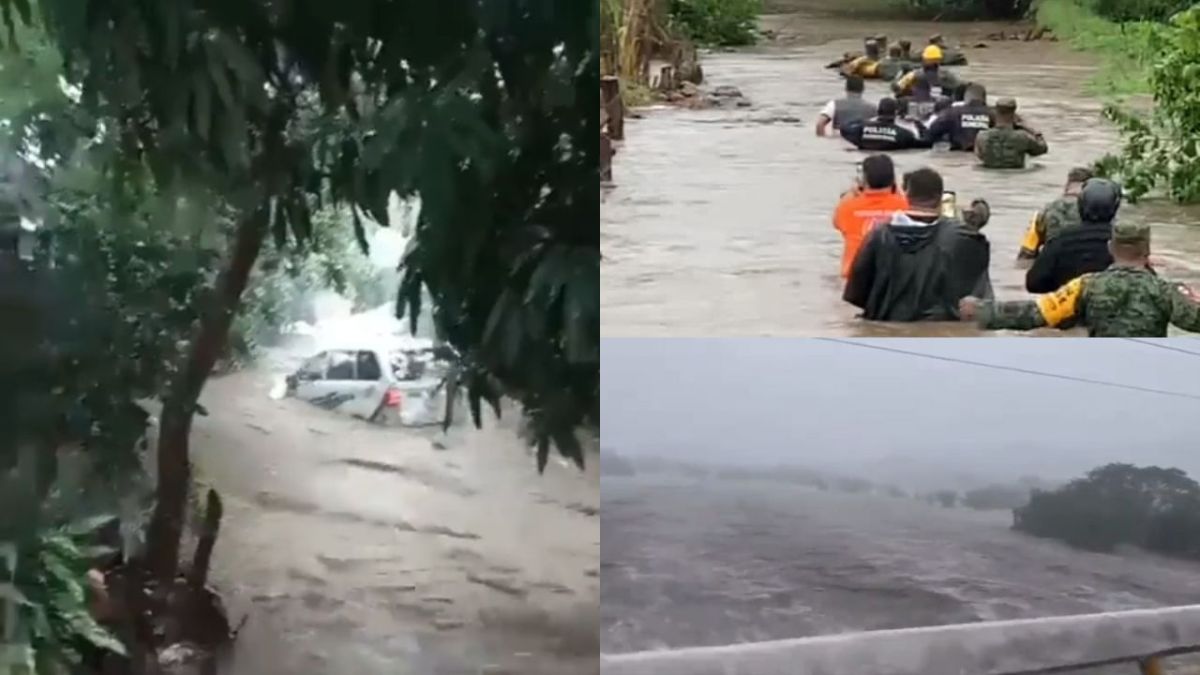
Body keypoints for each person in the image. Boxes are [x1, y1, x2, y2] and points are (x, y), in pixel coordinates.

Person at [960, 223, 1200, 337]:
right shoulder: (1166, 291)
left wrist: (983, 311)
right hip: (1150, 372)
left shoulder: (1085, 285)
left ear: (1110, 247)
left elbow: (1036, 314)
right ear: (1147, 250)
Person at [843, 167, 991, 321]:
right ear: (941, 198)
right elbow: (976, 297)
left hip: (888, 326)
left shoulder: (878, 236)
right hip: (939, 332)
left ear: (906, 195)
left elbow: (856, 295)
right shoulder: (965, 239)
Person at [1024, 178, 1121, 293]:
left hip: (1069, 306)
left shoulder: (1060, 241)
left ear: (1080, 205)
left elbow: (1033, 283)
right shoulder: (1123, 243)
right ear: (1115, 208)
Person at [832, 154, 909, 279]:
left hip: (853, 278)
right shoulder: (905, 205)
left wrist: (852, 193)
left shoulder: (847, 207)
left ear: (864, 179)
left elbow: (836, 222)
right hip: (892, 277)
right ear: (893, 179)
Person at [1017, 166, 1094, 263]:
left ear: (1067, 185)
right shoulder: (1098, 210)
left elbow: (1026, 254)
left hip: (1052, 267)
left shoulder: (1044, 212)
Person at [974, 98, 1047, 168]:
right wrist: (1034, 132)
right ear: (1014, 113)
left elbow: (979, 156)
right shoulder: (1023, 137)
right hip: (1016, 176)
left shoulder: (981, 136)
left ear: (996, 112)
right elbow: (1042, 149)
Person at [840, 98, 930, 151]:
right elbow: (927, 143)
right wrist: (918, 123)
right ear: (895, 113)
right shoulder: (903, 134)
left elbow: (843, 128)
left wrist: (861, 121)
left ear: (878, 111)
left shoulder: (862, 129)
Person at [926, 83, 993, 151]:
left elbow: (932, 132)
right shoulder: (993, 113)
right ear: (984, 98)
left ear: (966, 98)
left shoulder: (952, 112)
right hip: (985, 153)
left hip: (958, 153)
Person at [893, 45, 960, 97]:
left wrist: (899, 76)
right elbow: (959, 87)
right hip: (942, 106)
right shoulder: (947, 75)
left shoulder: (914, 74)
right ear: (939, 60)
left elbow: (897, 87)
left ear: (924, 58)